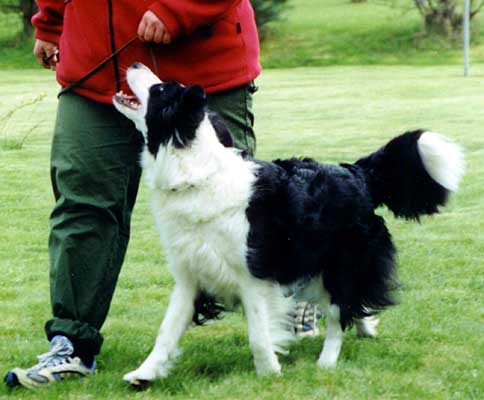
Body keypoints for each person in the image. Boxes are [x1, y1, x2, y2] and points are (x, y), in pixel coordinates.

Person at [4, 0, 260, 389]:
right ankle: (71, 344)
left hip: (203, 63)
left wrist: (178, 10)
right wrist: (51, 22)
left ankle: (299, 293)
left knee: (238, 208)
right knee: (82, 204)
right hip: (94, 68)